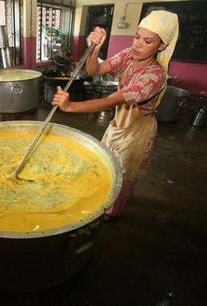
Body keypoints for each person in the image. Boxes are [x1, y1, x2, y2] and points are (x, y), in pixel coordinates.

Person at [52, 10, 179, 220]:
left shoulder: (154, 76)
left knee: (124, 172)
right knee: (109, 164)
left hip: (137, 130)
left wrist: (71, 107)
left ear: (162, 46)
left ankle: (112, 211)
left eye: (147, 41)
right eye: (137, 37)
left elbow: (110, 101)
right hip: (120, 121)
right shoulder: (129, 55)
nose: (138, 44)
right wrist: (95, 49)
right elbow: (95, 70)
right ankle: (107, 199)